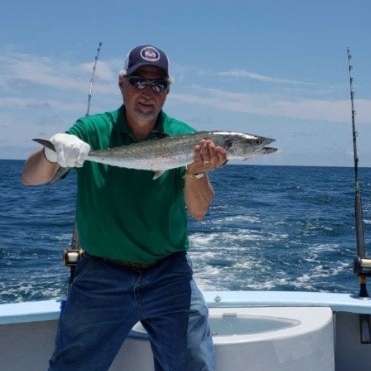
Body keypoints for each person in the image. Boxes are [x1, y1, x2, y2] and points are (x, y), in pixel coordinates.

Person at [22, 44, 227, 371]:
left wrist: (197, 169)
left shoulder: (188, 139)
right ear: (122, 84)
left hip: (168, 274)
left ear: (167, 91)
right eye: (138, 81)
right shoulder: (91, 131)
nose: (148, 91)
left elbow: (199, 211)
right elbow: (31, 178)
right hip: (100, 275)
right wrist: (52, 153)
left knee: (193, 364)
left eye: (158, 84)